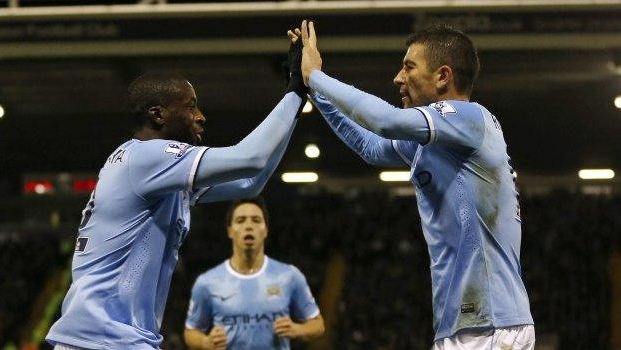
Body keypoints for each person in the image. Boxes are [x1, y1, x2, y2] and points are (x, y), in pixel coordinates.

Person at [45, 38, 308, 350]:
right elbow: (251, 157)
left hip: (110, 339)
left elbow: (250, 182)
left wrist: (293, 101)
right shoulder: (147, 158)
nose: (201, 116)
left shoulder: (158, 174)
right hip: (99, 340)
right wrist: (295, 90)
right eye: (191, 106)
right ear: (158, 115)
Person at [294, 20, 535, 349]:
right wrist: (316, 93)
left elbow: (386, 120)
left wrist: (318, 77)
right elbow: (371, 146)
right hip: (465, 323)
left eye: (409, 67)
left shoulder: (470, 118)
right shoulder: (433, 140)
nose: (398, 78)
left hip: (489, 323)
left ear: (443, 76)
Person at [184, 197, 324, 350]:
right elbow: (191, 332)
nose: (249, 226)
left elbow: (317, 324)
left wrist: (297, 329)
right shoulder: (207, 282)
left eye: (256, 220)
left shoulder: (289, 276)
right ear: (230, 231)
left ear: (266, 229)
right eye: (241, 220)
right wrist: (206, 342)